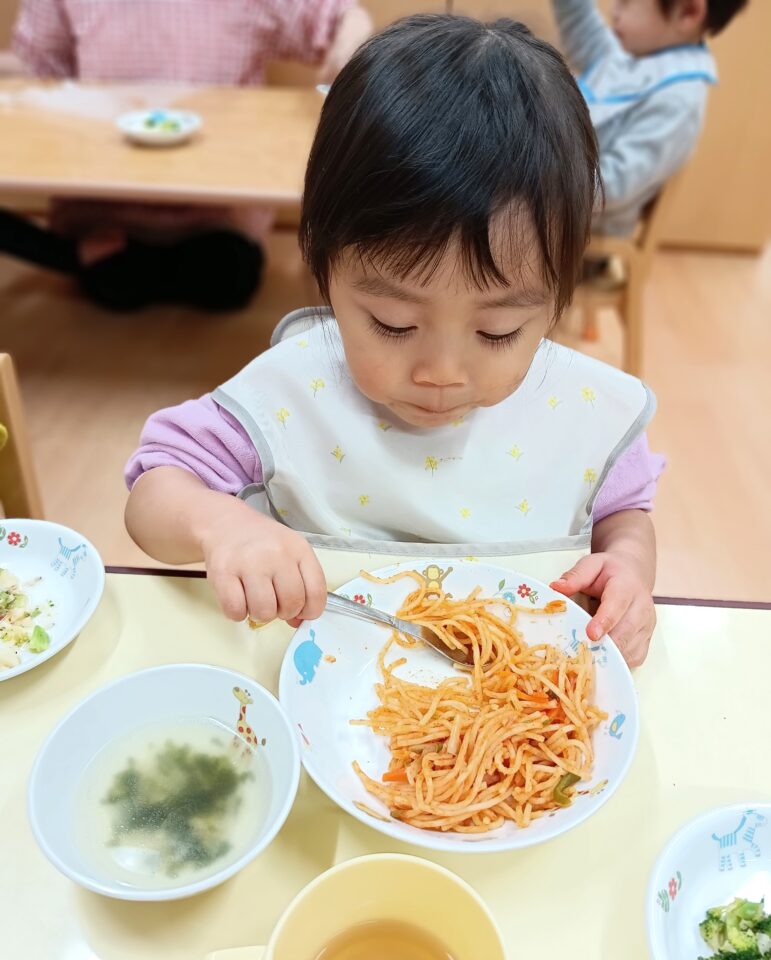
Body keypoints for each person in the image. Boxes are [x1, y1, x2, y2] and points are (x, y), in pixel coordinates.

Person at [125, 15, 665, 666]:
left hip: (518, 700)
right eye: (393, 324)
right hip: (319, 690)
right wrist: (220, 527)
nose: (440, 371)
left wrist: (628, 569)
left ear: (554, 298)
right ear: (322, 270)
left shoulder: (577, 409)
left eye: (496, 331)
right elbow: (155, 487)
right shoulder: (300, 383)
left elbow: (624, 513)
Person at [2, 0, 372, 311]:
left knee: (226, 275)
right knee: (115, 278)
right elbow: (35, 68)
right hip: (106, 204)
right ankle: (95, 257)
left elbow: (339, 16)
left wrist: (349, 48)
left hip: (220, 205)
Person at [551, 0, 748, 237]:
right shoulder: (635, 53)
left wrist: (538, 182)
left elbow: (613, 186)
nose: (614, 10)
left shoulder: (678, 101)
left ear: (688, 12)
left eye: (626, 2)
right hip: (552, 196)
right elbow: (581, 25)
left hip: (580, 235)